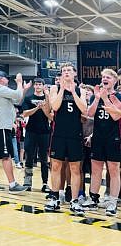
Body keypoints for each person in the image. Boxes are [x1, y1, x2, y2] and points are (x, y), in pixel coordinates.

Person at [45, 63, 87, 215]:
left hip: (75, 134)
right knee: (56, 166)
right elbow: (54, 107)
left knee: (75, 168)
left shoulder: (80, 90)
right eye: (63, 71)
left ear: (75, 73)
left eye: (69, 70)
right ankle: (54, 197)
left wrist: (73, 92)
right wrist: (63, 88)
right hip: (59, 134)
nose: (66, 73)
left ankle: (74, 201)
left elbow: (84, 109)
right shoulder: (55, 89)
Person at [83, 69, 120, 216]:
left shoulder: (119, 96)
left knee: (114, 170)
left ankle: (112, 201)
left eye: (108, 77)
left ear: (114, 81)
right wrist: (98, 98)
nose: (104, 79)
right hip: (98, 137)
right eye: (103, 77)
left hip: (114, 138)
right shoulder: (95, 96)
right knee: (96, 169)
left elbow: (116, 116)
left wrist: (105, 99)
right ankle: (93, 198)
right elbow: (89, 114)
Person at [0, 71, 31, 193]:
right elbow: (17, 95)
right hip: (1, 127)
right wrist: (20, 82)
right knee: (6, 156)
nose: (9, 80)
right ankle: (12, 184)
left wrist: (24, 90)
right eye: (7, 78)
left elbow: (17, 100)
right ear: (0, 79)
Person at [22, 78, 51, 192]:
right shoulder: (28, 98)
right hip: (31, 131)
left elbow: (50, 114)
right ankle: (27, 182)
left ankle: (45, 183)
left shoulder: (47, 98)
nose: (38, 86)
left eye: (40, 84)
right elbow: (25, 113)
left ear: (43, 86)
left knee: (44, 159)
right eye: (36, 84)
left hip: (44, 131)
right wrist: (37, 107)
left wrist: (45, 106)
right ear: (34, 86)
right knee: (29, 157)